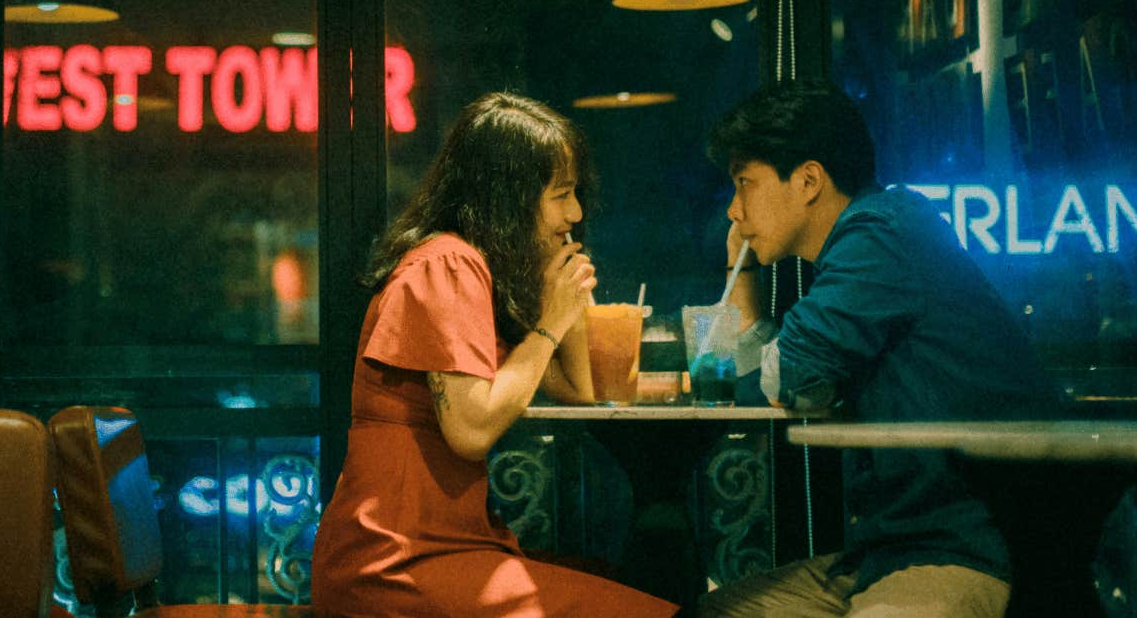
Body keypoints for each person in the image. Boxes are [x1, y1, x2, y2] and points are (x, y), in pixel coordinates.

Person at [694, 81, 1058, 618]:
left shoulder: (879, 236)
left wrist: (748, 292)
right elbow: (793, 385)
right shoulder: (871, 242)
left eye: (744, 184)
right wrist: (742, 270)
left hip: (972, 551)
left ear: (809, 180)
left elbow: (785, 379)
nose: (733, 209)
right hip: (888, 555)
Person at [310, 91, 679, 618]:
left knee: (629, 586)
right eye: (561, 195)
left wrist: (567, 285)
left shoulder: (480, 270)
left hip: (446, 546)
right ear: (509, 197)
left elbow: (580, 389)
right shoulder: (447, 266)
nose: (574, 213)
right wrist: (551, 322)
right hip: (392, 564)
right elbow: (471, 429)